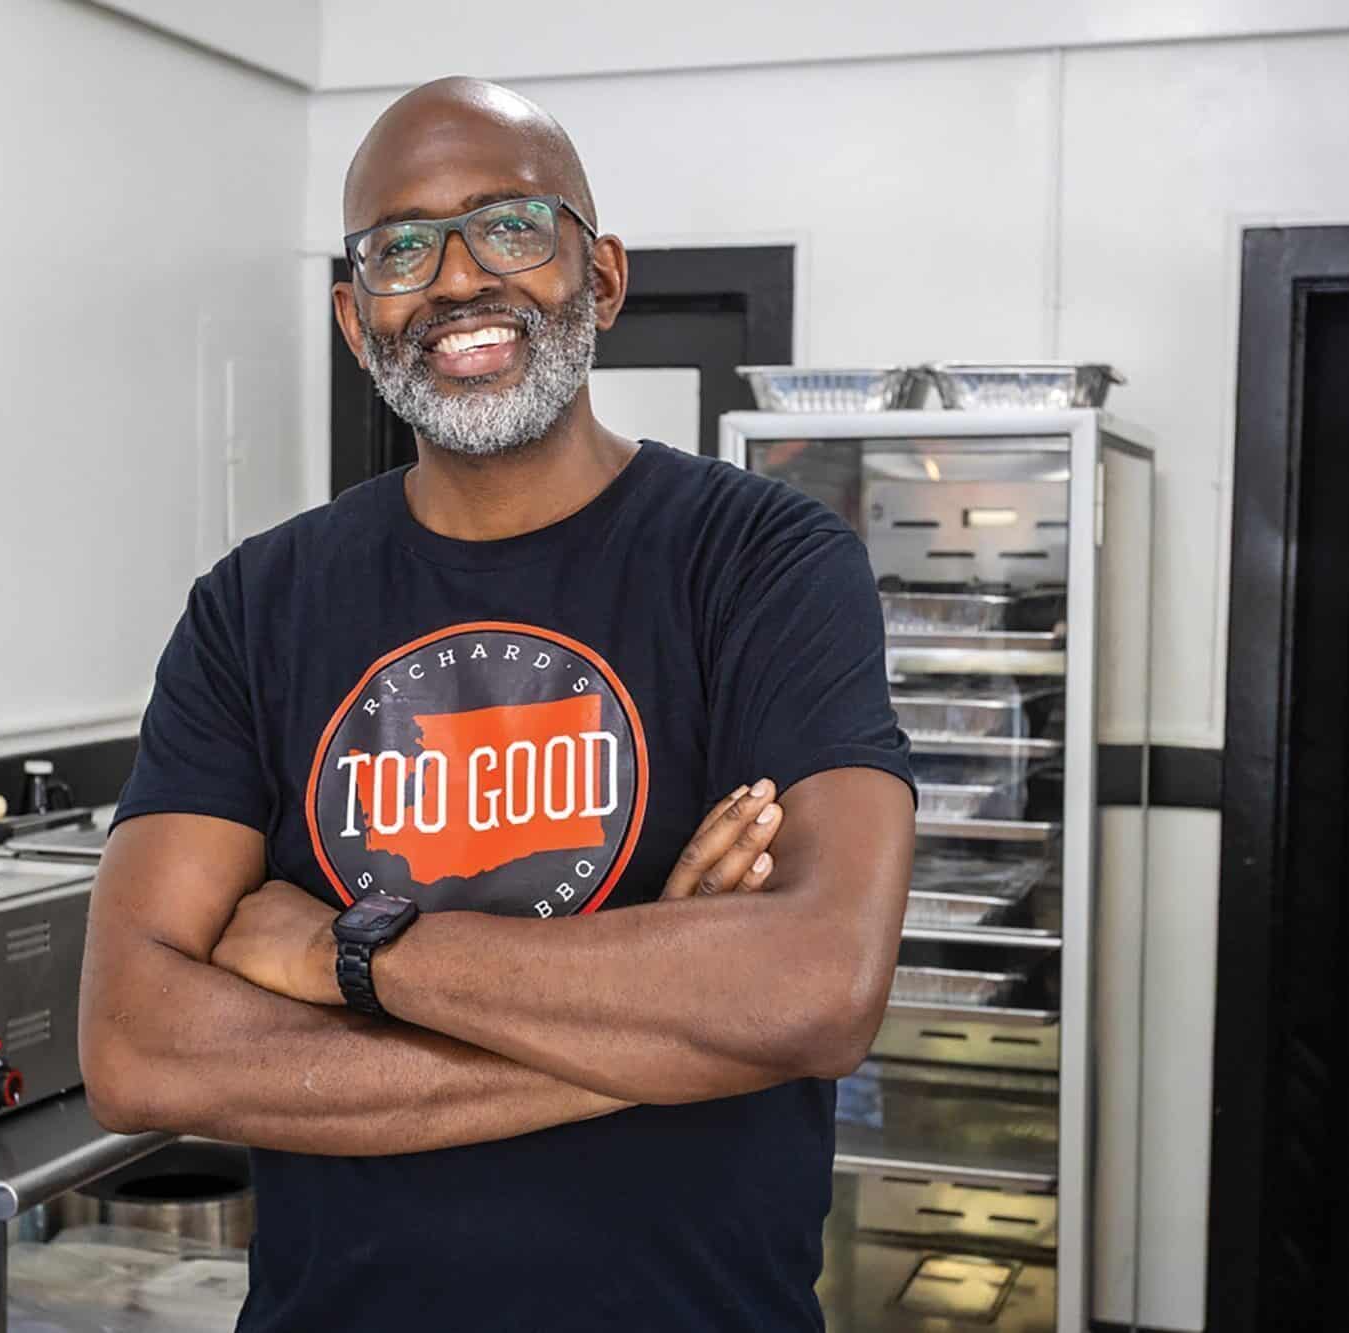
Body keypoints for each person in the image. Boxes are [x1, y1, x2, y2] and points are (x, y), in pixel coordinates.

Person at [80, 75, 915, 1332]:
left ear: (605, 276)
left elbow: (816, 987)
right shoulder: (254, 604)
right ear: (358, 323)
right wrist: (657, 1035)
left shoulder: (764, 560)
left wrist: (338, 951)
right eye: (400, 247)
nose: (459, 276)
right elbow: (138, 1051)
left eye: (511, 225)